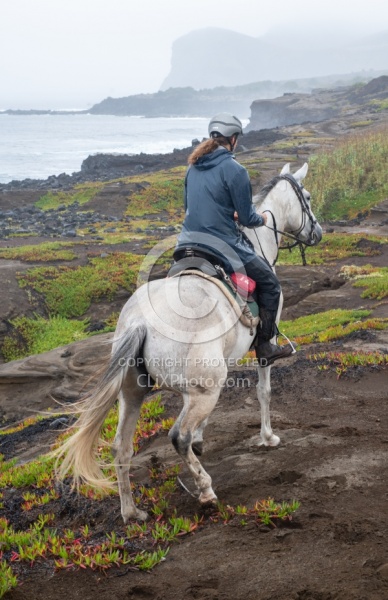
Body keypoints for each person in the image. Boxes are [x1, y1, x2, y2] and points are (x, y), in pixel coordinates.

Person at [176, 112, 294, 366]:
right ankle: (265, 346)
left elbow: (191, 206)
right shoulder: (235, 169)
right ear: (233, 139)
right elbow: (249, 217)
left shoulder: (192, 167)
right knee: (271, 285)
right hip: (222, 245)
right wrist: (261, 218)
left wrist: (225, 211)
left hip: (185, 244)